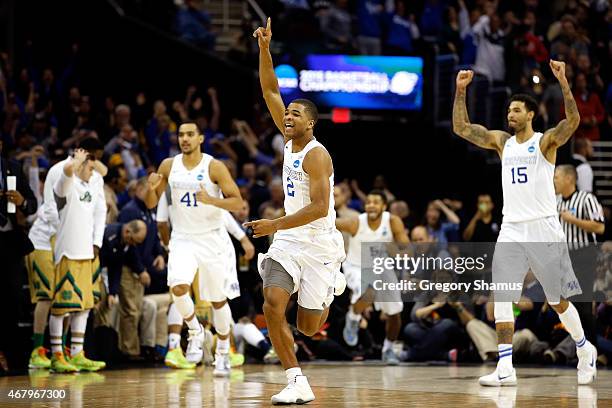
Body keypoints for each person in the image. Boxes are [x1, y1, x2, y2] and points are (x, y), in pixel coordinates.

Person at [452, 60, 597, 386]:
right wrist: (461, 91)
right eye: (509, 111)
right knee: (501, 294)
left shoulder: (545, 142)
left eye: (516, 111)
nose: (510, 115)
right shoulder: (502, 142)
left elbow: (573, 120)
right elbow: (462, 128)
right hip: (512, 227)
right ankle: (505, 367)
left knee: (557, 300)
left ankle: (583, 348)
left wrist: (563, 80)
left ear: (530, 114)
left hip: (543, 227)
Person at [249, 18, 346, 405]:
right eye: (286, 113)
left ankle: (329, 290)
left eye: (295, 115)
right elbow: (270, 88)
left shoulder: (317, 155)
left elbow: (320, 208)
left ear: (311, 123)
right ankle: (296, 380)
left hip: (319, 240)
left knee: (308, 327)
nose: (287, 117)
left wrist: (273, 221)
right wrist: (264, 50)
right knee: (272, 304)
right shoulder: (288, 138)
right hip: (289, 239)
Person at [144, 121, 243, 377]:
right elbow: (152, 203)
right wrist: (151, 190)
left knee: (217, 300)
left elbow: (237, 202)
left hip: (211, 238)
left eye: (190, 134)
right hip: (183, 237)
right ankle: (195, 331)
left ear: (200, 139)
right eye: (181, 135)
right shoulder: (168, 165)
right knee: (178, 288)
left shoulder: (214, 166)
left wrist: (212, 199)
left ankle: (222, 350)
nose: (185, 139)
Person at [25, 138, 107, 370]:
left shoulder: (94, 179)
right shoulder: (58, 171)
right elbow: (52, 208)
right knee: (49, 297)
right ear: (81, 155)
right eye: (93, 159)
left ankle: (68, 350)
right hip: (45, 239)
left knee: (79, 300)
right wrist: (68, 233)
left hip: (78, 243)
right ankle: (39, 350)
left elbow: (100, 211)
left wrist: (93, 242)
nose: (96, 165)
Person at [49, 149, 107, 373]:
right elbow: (65, 175)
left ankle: (76, 353)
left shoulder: (91, 184)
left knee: (84, 306)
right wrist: (75, 161)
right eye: (89, 168)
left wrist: (96, 243)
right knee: (61, 308)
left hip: (86, 253)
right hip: (67, 254)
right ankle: (56, 355)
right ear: (79, 165)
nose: (93, 173)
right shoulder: (66, 183)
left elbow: (100, 212)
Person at [335, 190, 409, 364]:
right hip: (356, 267)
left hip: (382, 268)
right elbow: (330, 223)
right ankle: (353, 317)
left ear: (384, 206)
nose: (371, 205)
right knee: (370, 292)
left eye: (376, 202)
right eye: (368, 202)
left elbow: (404, 244)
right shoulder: (355, 223)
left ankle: (388, 349)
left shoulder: (392, 221)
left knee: (395, 314)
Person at [0, 139, 38, 372]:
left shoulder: (12, 167)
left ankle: (9, 355)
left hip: (9, 241)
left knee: (12, 301)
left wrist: (22, 201)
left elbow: (33, 204)